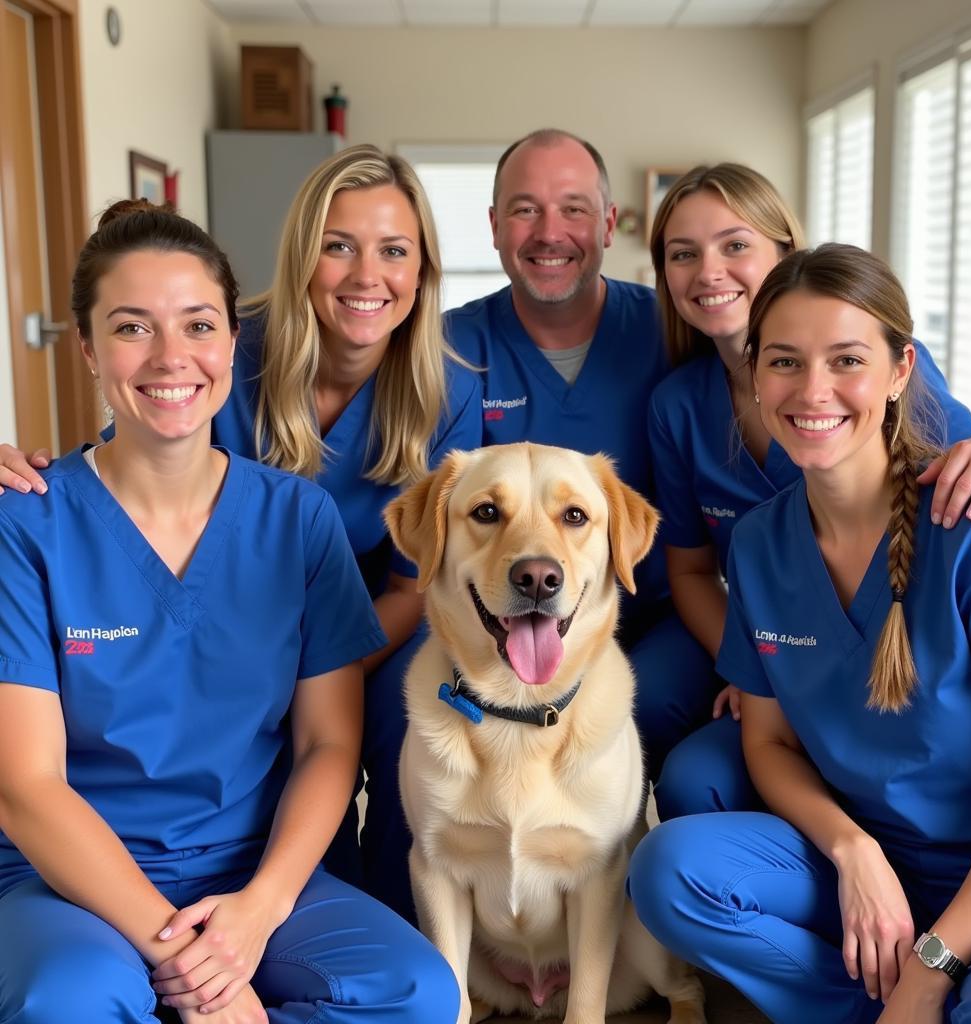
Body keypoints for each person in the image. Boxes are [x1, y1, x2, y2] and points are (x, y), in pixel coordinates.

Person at [0, 200, 459, 1023]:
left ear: (232, 341)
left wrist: (257, 913)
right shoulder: (26, 525)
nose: (172, 357)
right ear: (89, 350)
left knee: (417, 994)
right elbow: (25, 787)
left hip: (250, 871)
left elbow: (329, 743)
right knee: (66, 999)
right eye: (133, 327)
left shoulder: (299, 518)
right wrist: (192, 964)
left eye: (199, 325)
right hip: (65, 878)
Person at [629, 243, 971, 1024]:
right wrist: (853, 851)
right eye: (784, 362)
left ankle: (918, 996)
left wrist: (934, 964)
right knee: (668, 871)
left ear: (900, 370)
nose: (813, 391)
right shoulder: (761, 544)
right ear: (755, 371)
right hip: (871, 852)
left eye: (847, 360)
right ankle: (875, 1003)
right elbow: (767, 743)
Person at [644, 163, 971, 815]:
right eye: (684, 254)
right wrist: (758, 671)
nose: (709, 271)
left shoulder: (878, 364)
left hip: (902, 634)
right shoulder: (680, 405)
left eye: (735, 244)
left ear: (786, 252)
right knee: (684, 757)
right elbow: (691, 571)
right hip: (778, 636)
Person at [444, 128, 716, 772]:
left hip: (654, 613)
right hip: (498, 611)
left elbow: (822, 340)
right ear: (493, 225)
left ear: (607, 223)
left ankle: (631, 868)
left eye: (573, 208)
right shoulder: (450, 346)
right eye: (524, 208)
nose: (548, 231)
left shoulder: (674, 330)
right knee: (421, 712)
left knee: (624, 710)